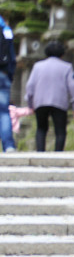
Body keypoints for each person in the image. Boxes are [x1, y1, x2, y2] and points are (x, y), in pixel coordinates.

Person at [25, 40, 74, 152]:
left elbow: (30, 85)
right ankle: (58, 153)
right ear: (62, 54)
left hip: (40, 102)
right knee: (60, 130)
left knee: (41, 128)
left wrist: (30, 104)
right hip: (59, 102)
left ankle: (40, 152)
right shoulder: (67, 67)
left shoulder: (37, 66)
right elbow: (72, 86)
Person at [0, 12, 16, 152]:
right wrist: (9, 75)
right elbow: (11, 56)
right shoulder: (6, 30)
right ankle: (9, 145)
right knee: (3, 112)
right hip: (2, 74)